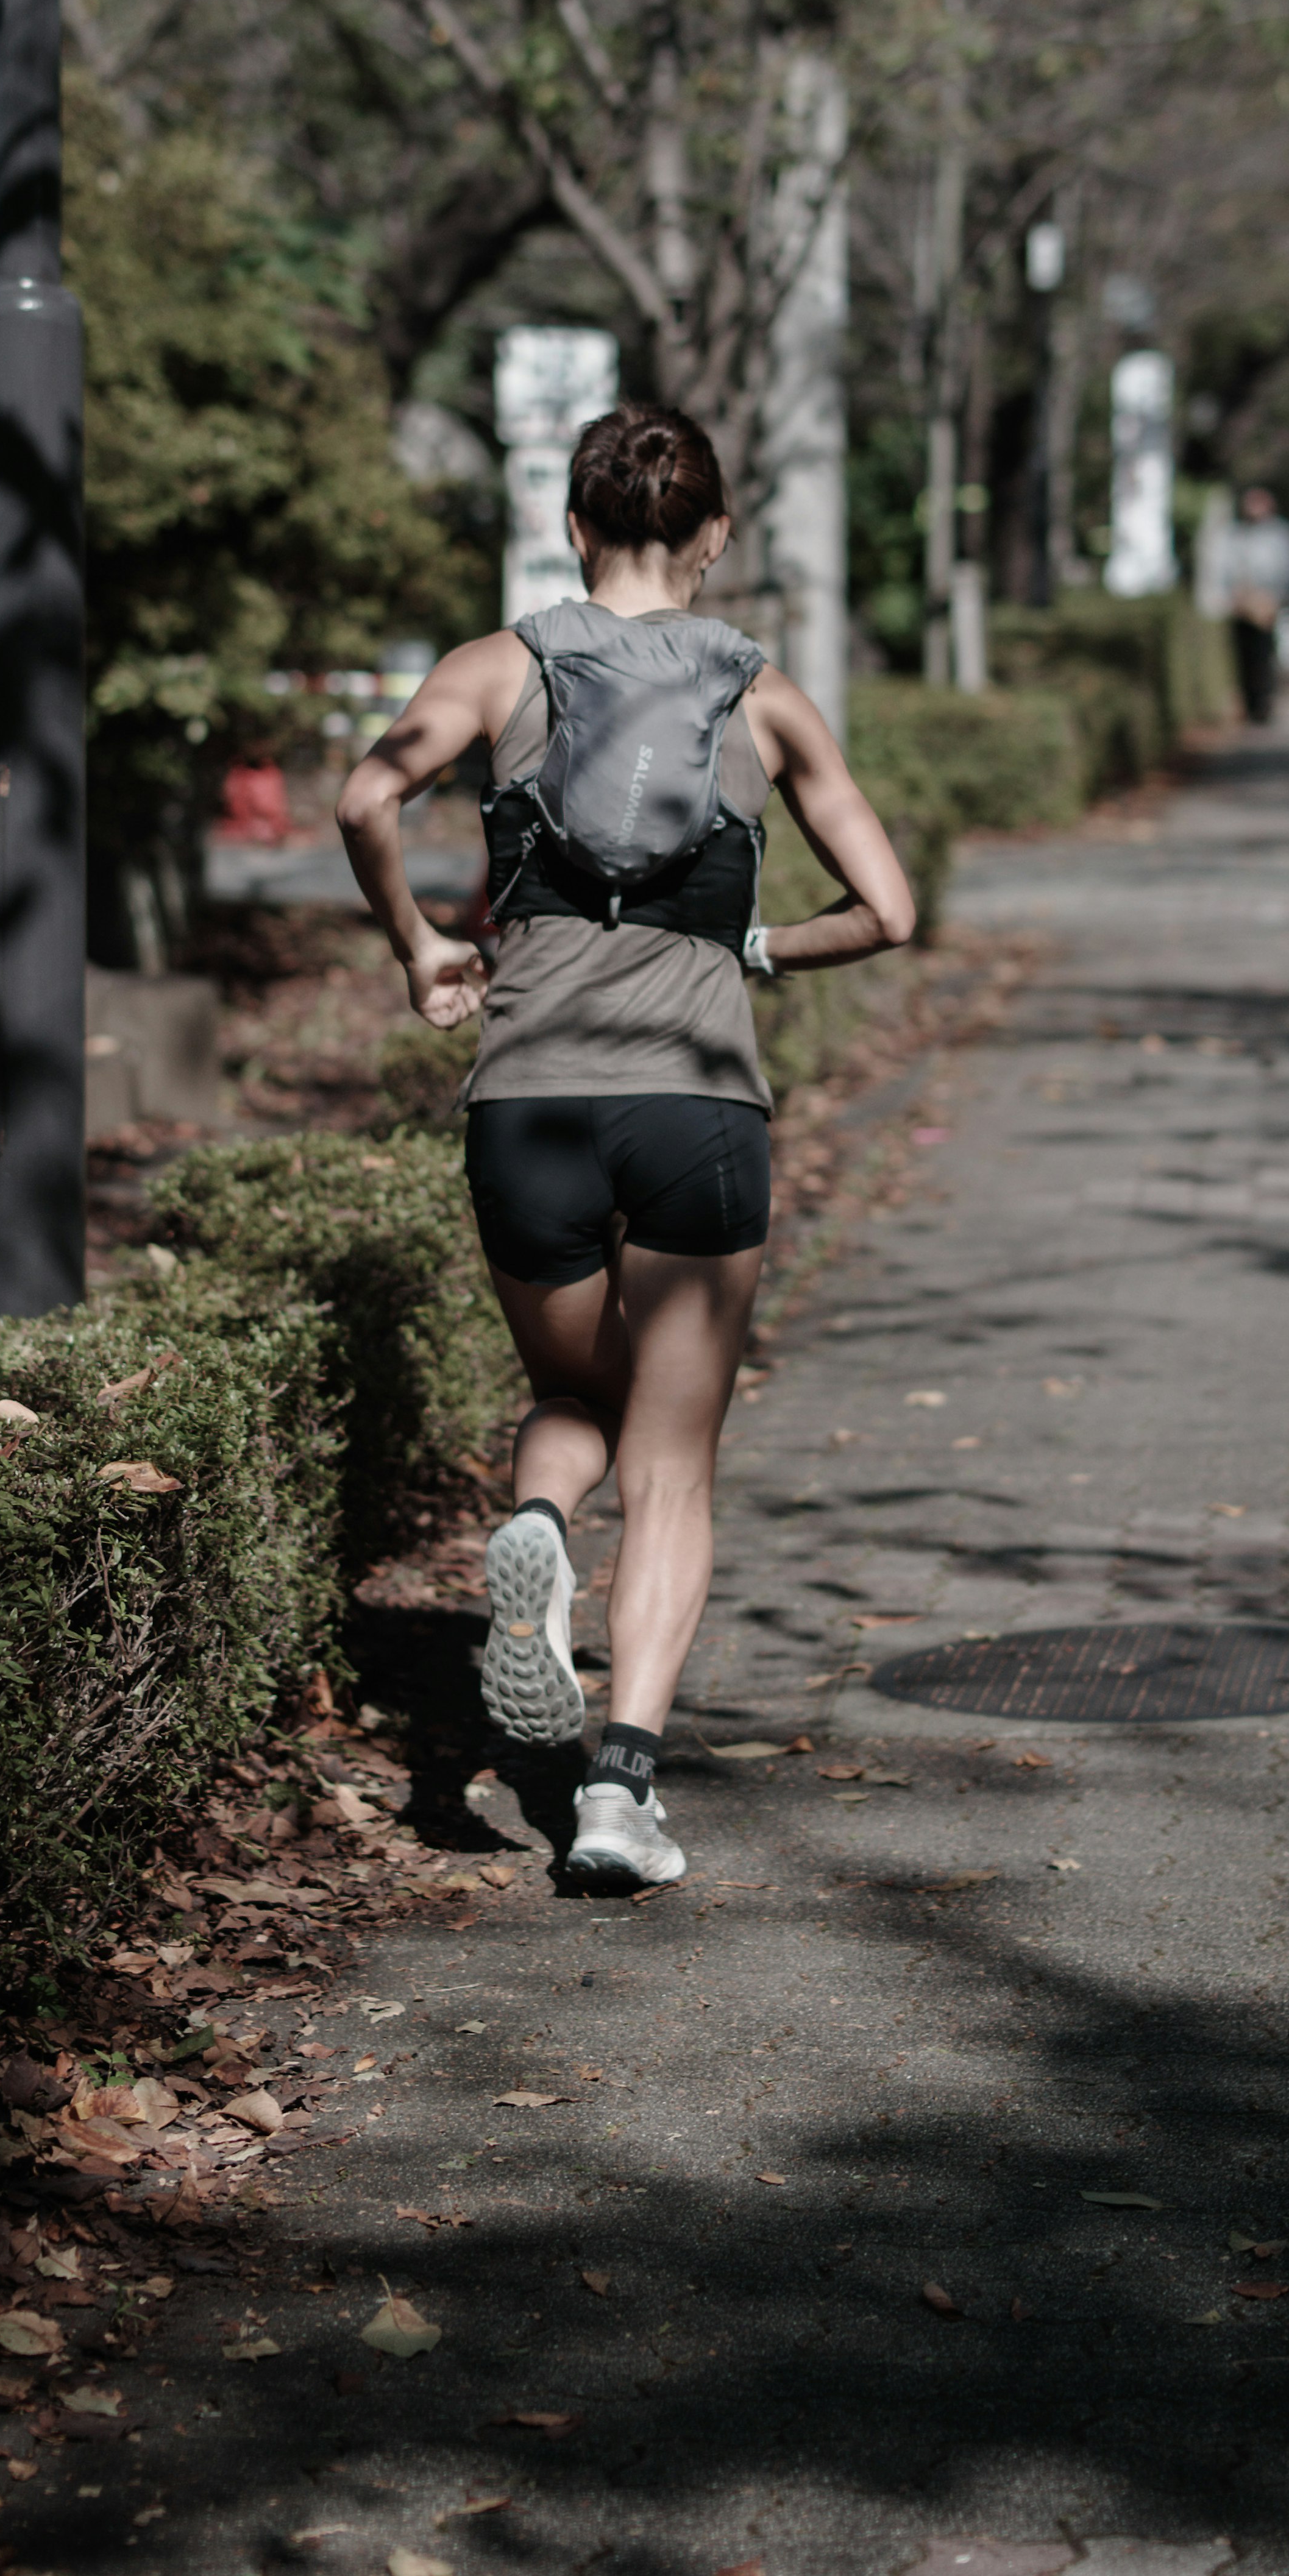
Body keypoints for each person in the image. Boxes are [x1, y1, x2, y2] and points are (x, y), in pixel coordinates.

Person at [336, 402, 916, 1889]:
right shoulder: (764, 697)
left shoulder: (494, 667)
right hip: (695, 1106)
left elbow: (363, 794)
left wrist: (418, 948)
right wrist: (757, 948)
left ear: (575, 529)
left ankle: (536, 1524)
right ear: (714, 538)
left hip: (525, 1098)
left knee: (564, 1393)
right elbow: (892, 913)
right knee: (675, 1457)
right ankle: (616, 1793)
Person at [1220, 488, 1289, 724]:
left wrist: (1276, 597)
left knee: (1265, 656)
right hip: (1242, 605)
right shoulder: (1236, 534)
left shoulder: (1282, 535)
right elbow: (1227, 568)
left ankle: (1265, 704)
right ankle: (1250, 703)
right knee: (1244, 657)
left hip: (1270, 604)